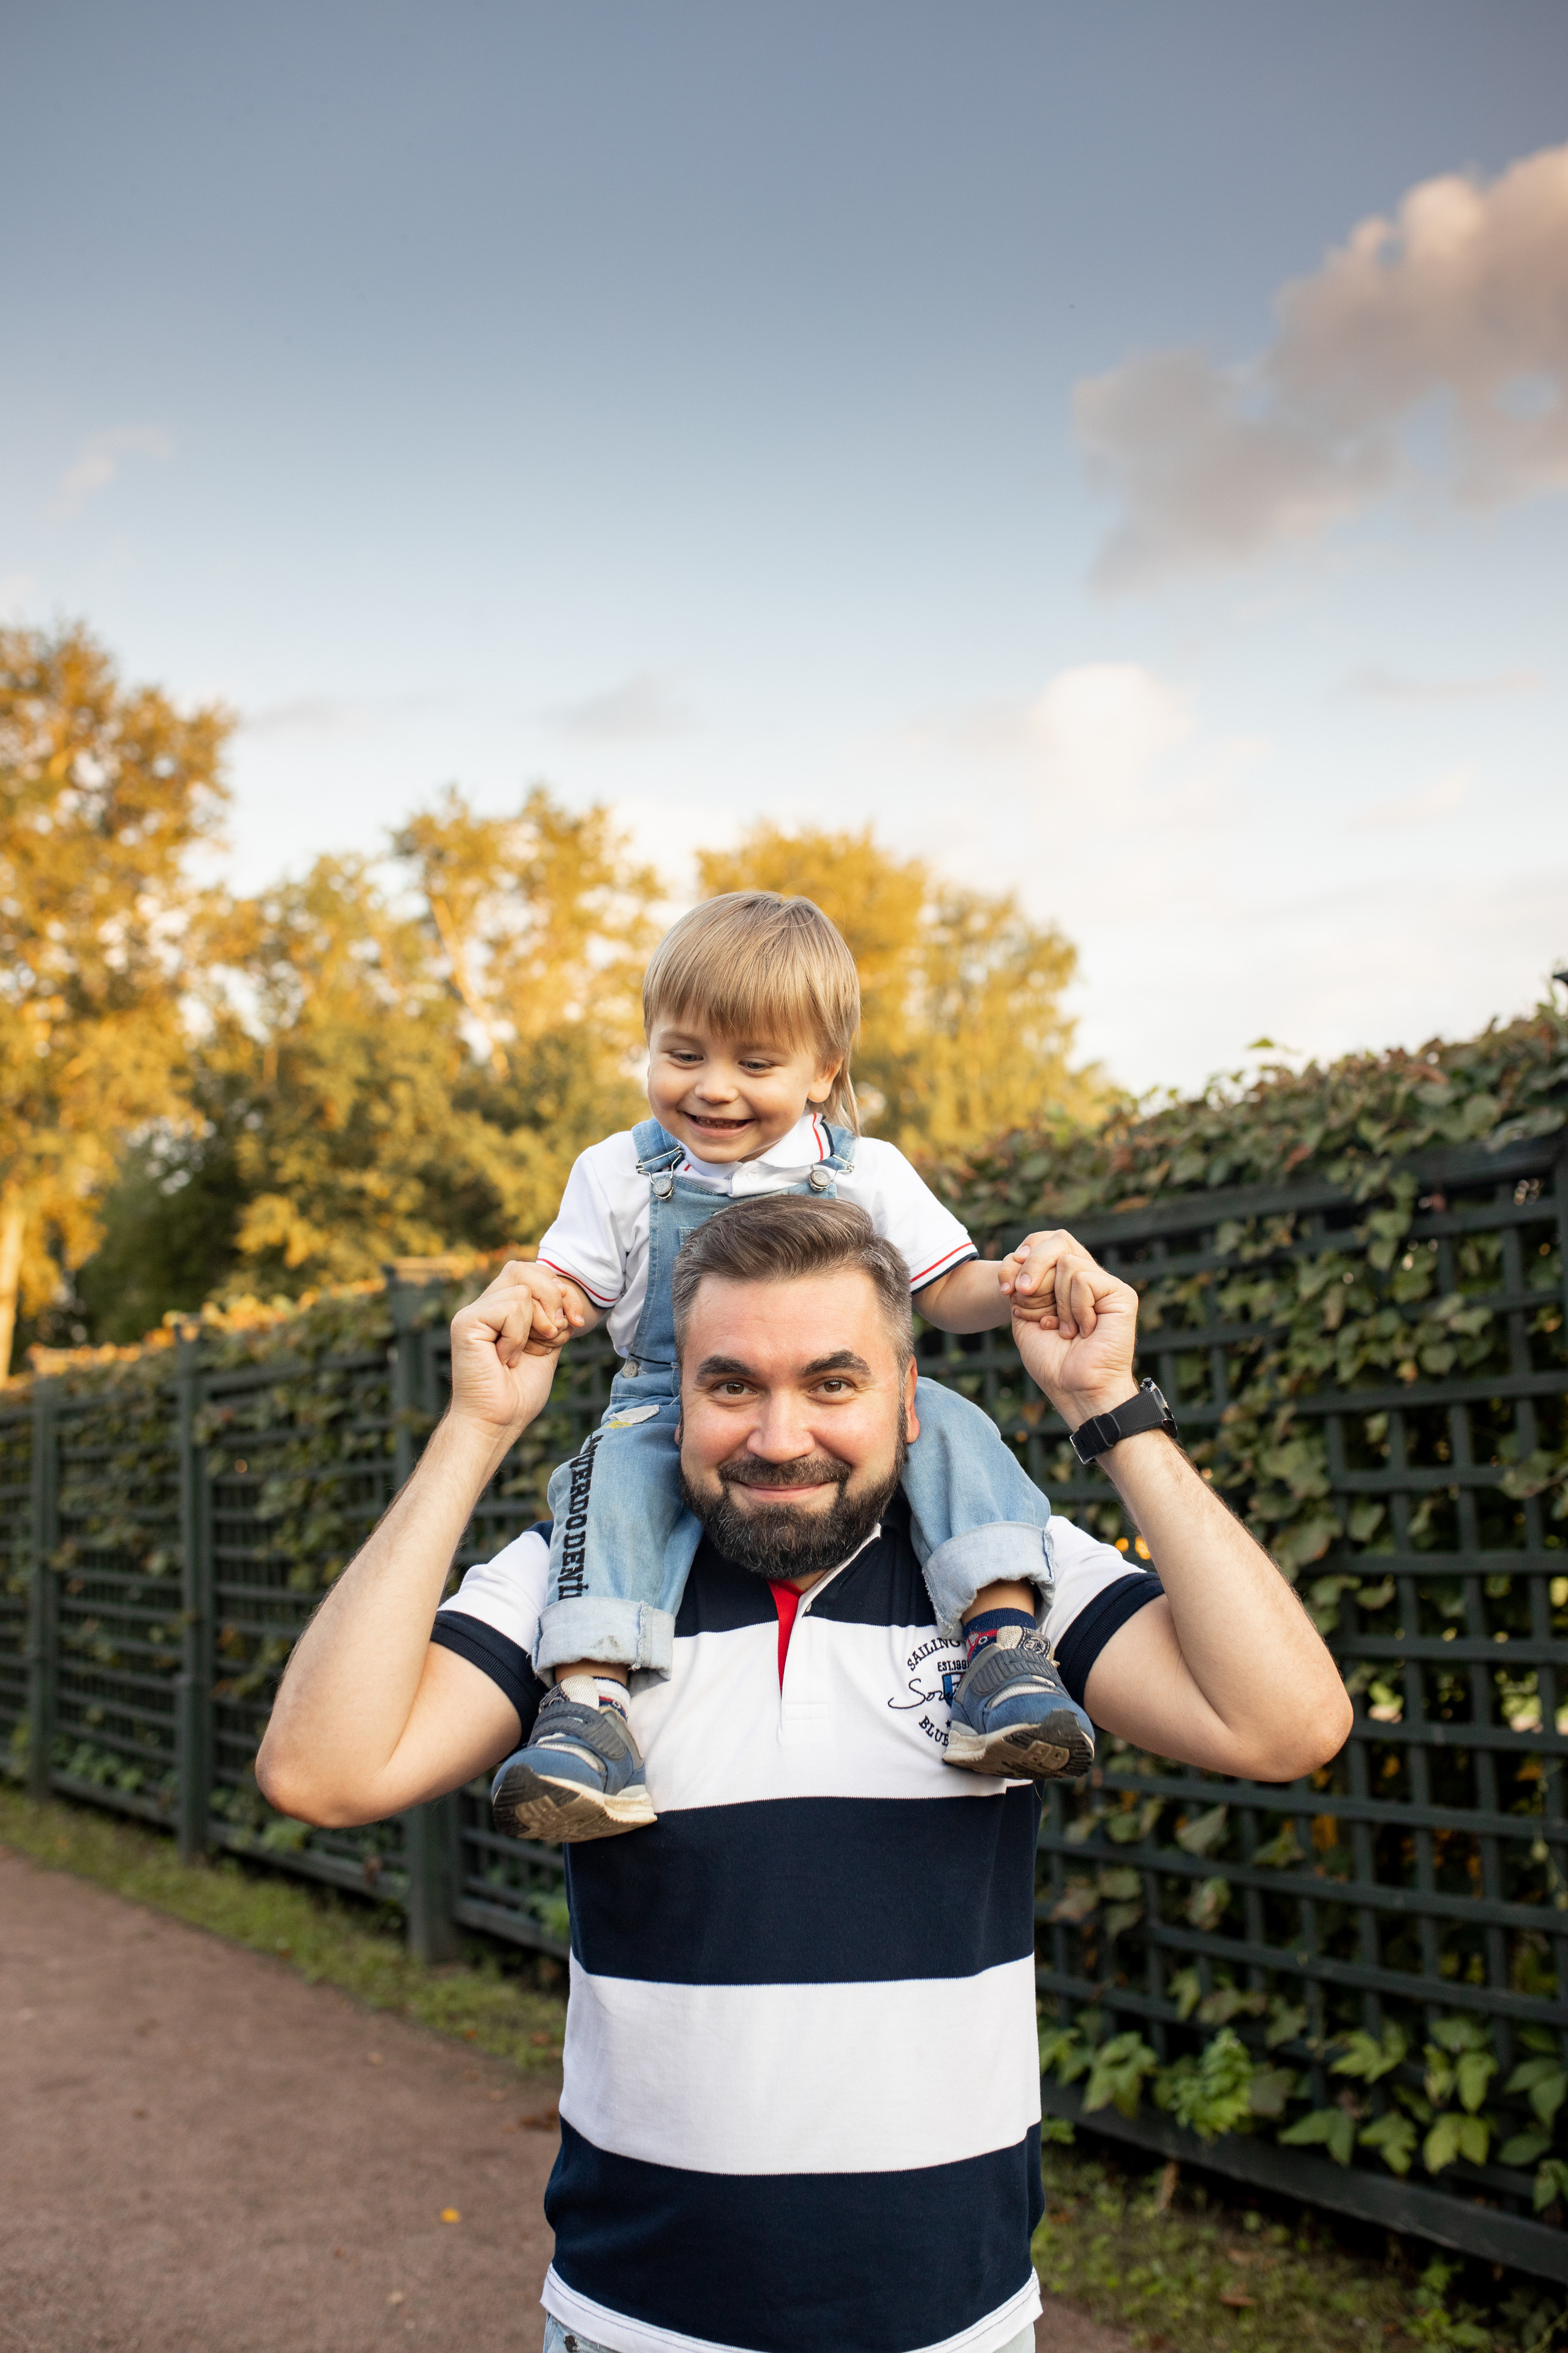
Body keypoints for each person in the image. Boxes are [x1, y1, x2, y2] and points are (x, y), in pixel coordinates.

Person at [257, 1199, 1351, 2353]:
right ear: (673, 1395)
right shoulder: (577, 1580)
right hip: (636, 2326)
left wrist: (1104, 1406)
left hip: (956, 2328)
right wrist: (475, 1431)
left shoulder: (1009, 1581)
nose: (781, 1437)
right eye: (731, 1386)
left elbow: (1285, 1725)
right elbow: (323, 1773)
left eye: (834, 1383)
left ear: (910, 1399)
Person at [487, 889, 1096, 1845]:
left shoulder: (868, 1174)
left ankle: (1003, 1653)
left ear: (823, 1074)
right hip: (667, 1404)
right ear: (649, 1043)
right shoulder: (618, 1173)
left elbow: (945, 1292)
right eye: (682, 1053)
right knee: (606, 1482)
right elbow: (570, 1287)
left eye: (754, 1063)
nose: (713, 1087)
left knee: (949, 1424)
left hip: (845, 1396)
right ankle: (590, 1709)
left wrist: (1014, 1282)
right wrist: (543, 1302)